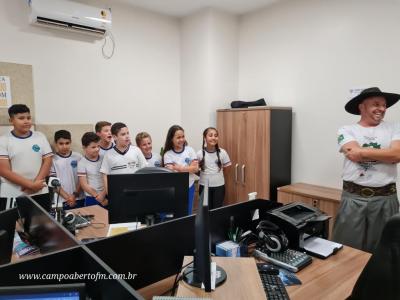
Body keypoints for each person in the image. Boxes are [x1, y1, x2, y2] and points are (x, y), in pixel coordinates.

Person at [332, 87, 400, 252]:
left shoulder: (394, 128)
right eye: (376, 104)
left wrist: (362, 151)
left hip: (386, 199)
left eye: (384, 105)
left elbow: (397, 155)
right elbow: (353, 155)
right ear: (361, 107)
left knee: (383, 252)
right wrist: (386, 155)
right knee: (345, 250)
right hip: (353, 198)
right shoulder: (346, 130)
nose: (382, 109)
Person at [0, 104, 53, 210]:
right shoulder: (4, 140)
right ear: (11, 120)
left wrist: (36, 184)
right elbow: (3, 170)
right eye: (21, 118)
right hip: (13, 192)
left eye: (28, 118)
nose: (26, 121)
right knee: (12, 224)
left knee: (42, 225)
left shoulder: (40, 136)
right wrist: (30, 185)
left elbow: (48, 160)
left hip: (39, 189)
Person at [100, 122, 147, 193]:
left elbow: (145, 170)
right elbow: (104, 175)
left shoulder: (136, 150)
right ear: (114, 137)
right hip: (117, 192)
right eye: (123, 134)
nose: (127, 136)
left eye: (128, 133)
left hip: (136, 191)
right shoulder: (108, 154)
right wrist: (109, 193)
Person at [163, 125, 198, 214]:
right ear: (171, 139)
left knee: (188, 212)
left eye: (183, 137)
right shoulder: (168, 154)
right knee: (176, 213)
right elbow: (172, 174)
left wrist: (179, 168)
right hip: (174, 189)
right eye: (178, 137)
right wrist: (188, 168)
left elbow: (195, 169)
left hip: (189, 186)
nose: (182, 139)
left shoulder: (190, 150)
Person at [197, 127, 231, 209]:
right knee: (205, 210)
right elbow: (195, 169)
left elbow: (227, 169)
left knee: (217, 210)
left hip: (219, 186)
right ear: (205, 138)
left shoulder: (223, 152)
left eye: (216, 136)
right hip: (204, 187)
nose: (213, 138)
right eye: (210, 135)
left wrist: (217, 176)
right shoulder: (199, 153)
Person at [50, 130, 84, 210]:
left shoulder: (78, 157)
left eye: (67, 143)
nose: (64, 146)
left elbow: (82, 179)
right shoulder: (52, 160)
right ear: (56, 143)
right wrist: (68, 197)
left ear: (70, 142)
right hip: (61, 199)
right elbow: (54, 183)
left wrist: (74, 195)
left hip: (79, 198)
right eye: (61, 144)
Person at [78, 132, 108, 207]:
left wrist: (103, 194)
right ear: (84, 147)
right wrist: (98, 197)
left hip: (106, 195)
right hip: (92, 197)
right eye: (93, 147)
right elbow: (84, 184)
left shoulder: (104, 158)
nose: (97, 149)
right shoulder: (82, 163)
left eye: (98, 146)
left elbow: (108, 178)